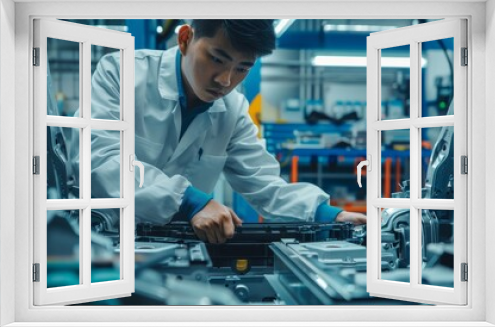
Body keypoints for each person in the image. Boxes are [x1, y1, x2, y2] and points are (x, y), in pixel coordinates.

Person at [78, 19, 366, 244]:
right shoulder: (122, 73)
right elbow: (100, 158)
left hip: (170, 248)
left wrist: (329, 215)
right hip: (100, 238)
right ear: (185, 39)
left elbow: (264, 183)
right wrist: (189, 202)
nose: (225, 80)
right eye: (217, 58)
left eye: (242, 68)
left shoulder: (231, 109)